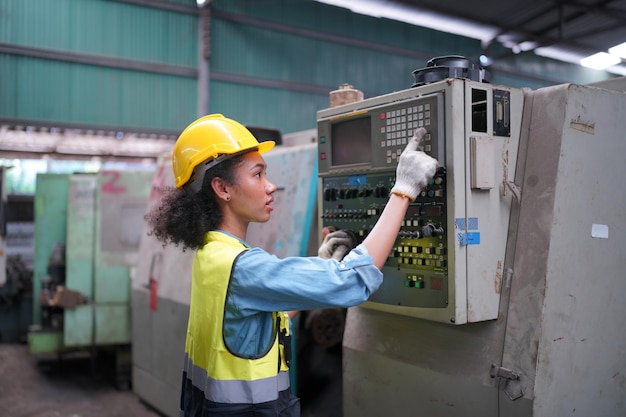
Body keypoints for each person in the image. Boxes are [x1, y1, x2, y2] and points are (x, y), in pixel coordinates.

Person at [145, 113, 438, 417]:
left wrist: (321, 264)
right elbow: (353, 281)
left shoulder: (212, 254)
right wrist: (404, 190)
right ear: (222, 188)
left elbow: (259, 324)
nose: (270, 186)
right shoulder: (243, 266)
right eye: (258, 174)